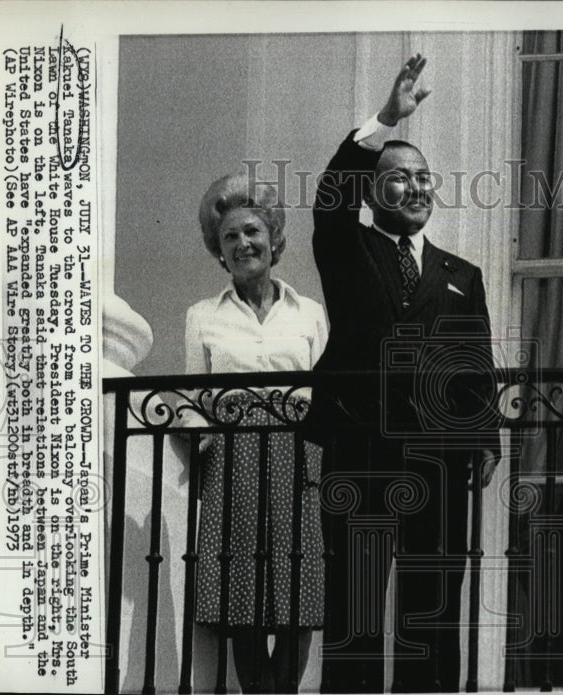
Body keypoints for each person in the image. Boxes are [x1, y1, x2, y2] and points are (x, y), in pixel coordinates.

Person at [310, 54, 500, 693]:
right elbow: (331, 199)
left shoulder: (459, 275)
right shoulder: (349, 247)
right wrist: (388, 117)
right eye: (398, 178)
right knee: (356, 612)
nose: (415, 187)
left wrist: (485, 436)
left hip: (438, 460)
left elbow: (475, 365)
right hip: (360, 451)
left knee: (432, 612)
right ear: (372, 190)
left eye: (423, 177)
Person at [184, 172, 329, 693]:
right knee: (241, 602)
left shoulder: (310, 314)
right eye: (230, 237)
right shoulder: (202, 316)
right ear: (218, 251)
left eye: (252, 232)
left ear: (273, 239)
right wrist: (203, 436)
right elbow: (196, 399)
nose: (243, 243)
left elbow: (327, 396)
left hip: (298, 457)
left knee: (298, 597)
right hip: (234, 460)